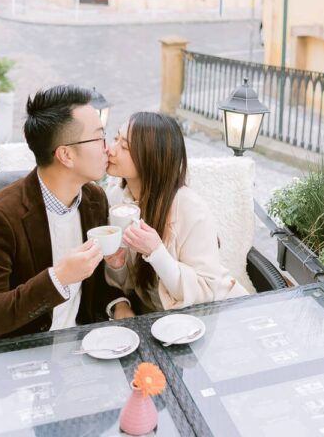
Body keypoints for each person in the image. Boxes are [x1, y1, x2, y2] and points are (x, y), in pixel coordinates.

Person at [0, 85, 133, 348]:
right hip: (12, 356)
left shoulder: (94, 199)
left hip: (81, 349)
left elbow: (95, 286)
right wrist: (58, 278)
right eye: (100, 138)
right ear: (65, 154)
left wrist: (119, 305)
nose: (108, 149)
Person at [102, 111, 248, 313]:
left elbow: (207, 291)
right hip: (160, 324)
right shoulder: (117, 200)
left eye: (124, 146)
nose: (111, 149)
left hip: (220, 313)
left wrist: (156, 252)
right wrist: (117, 268)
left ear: (151, 158)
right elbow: (130, 285)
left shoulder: (190, 208)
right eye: (115, 138)